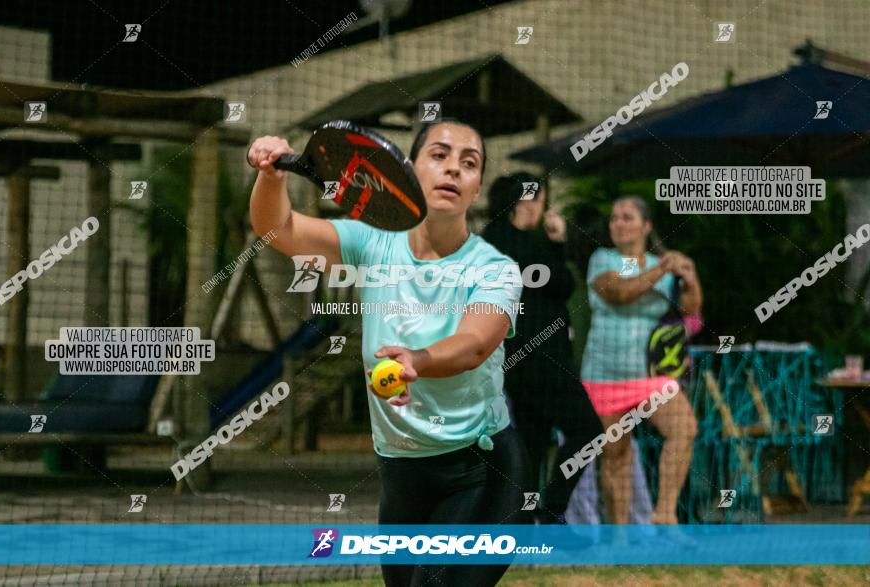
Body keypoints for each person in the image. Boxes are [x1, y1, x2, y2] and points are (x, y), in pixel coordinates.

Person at [248, 119, 531, 586]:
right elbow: (277, 229)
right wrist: (270, 175)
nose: (454, 170)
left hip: (482, 472)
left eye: (469, 163)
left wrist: (417, 360)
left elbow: (474, 344)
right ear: (407, 172)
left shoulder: (495, 269)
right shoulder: (373, 243)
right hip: (401, 473)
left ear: (477, 188)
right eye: (439, 156)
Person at [481, 172, 604, 524]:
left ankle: (521, 524)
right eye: (539, 200)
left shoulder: (493, 239)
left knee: (533, 440)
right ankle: (553, 507)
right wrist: (558, 241)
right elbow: (563, 282)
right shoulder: (520, 242)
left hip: (519, 361)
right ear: (523, 201)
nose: (542, 208)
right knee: (588, 430)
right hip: (542, 360)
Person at [581, 196, 701, 525]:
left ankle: (664, 514)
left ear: (646, 226)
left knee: (685, 429)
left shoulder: (660, 264)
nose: (617, 223)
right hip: (605, 373)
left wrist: (689, 278)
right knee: (616, 455)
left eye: (627, 217)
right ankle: (619, 539)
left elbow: (691, 312)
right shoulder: (602, 259)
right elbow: (619, 294)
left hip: (650, 373)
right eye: (614, 218)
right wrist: (662, 267)